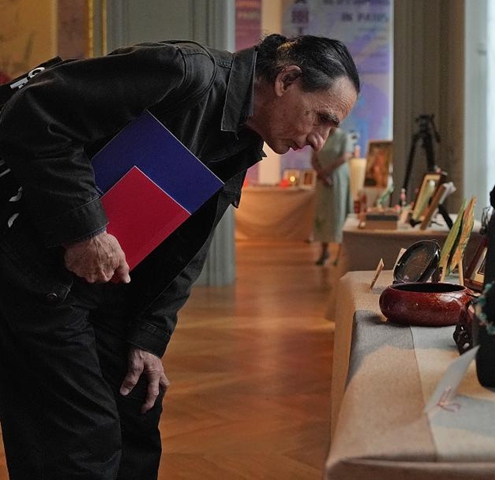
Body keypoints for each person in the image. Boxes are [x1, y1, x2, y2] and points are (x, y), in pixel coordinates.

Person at [0, 33, 359, 479]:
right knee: (77, 443)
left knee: (136, 416)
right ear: (287, 79)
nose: (321, 141)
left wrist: (149, 338)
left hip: (110, 288)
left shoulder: (244, 140)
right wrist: (84, 231)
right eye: (322, 118)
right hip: (35, 276)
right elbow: (33, 113)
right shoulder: (184, 71)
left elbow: (188, 245)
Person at [311, 126, 353, 265]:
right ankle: (324, 252)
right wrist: (322, 174)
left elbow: (345, 156)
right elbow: (314, 159)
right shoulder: (320, 135)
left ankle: (341, 254)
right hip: (323, 180)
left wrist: (327, 171)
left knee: (338, 212)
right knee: (322, 213)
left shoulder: (343, 137)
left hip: (338, 178)